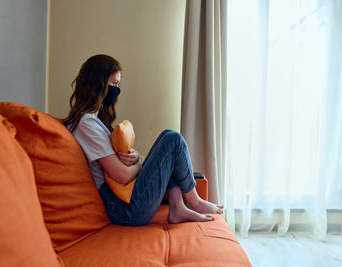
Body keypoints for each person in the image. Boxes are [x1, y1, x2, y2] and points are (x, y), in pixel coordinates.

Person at [63, 54, 223, 226]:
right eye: (114, 84)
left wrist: (136, 158)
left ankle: (178, 207)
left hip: (124, 202)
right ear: (98, 82)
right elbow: (123, 176)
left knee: (167, 141)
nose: (117, 90)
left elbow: (116, 165)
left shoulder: (93, 121)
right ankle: (194, 201)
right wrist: (140, 164)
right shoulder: (86, 124)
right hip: (123, 209)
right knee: (172, 139)